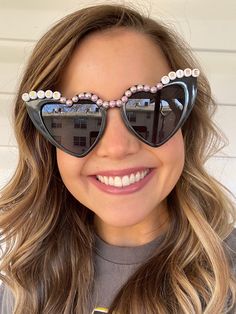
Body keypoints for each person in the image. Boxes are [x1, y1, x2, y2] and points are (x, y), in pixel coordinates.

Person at [0, 4, 235, 314]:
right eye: (77, 118)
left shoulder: (227, 278)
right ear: (46, 143)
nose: (117, 147)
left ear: (185, 124)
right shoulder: (22, 287)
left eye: (149, 109)